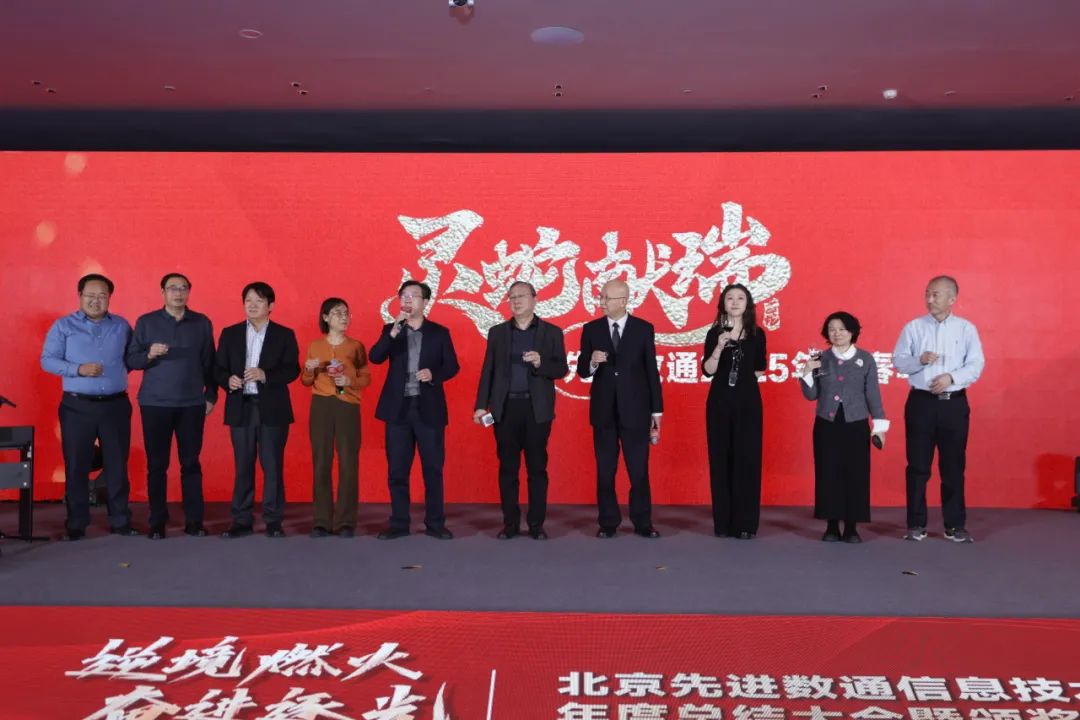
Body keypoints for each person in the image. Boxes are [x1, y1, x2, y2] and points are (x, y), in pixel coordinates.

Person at [40, 273, 137, 540]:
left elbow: (131, 359)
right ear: (80, 296)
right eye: (90, 295)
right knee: (76, 465)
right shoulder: (64, 326)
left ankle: (120, 520)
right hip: (76, 406)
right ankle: (76, 523)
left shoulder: (121, 326)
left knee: (117, 465)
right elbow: (47, 360)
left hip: (115, 406)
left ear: (110, 298)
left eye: (102, 295)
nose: (96, 300)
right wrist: (78, 370)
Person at [473, 281, 569, 540]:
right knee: (508, 469)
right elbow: (488, 371)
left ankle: (536, 525)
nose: (516, 301)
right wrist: (481, 405)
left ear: (534, 299)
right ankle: (510, 524)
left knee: (537, 469)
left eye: (521, 296)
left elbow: (561, 369)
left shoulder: (551, 332)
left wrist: (541, 363)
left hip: (536, 409)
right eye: (512, 297)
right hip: (505, 408)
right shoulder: (498, 333)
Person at [893, 275, 984, 543]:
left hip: (953, 404)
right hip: (920, 403)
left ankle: (954, 526)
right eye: (927, 294)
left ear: (952, 298)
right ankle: (915, 525)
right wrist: (919, 360)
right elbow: (899, 362)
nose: (930, 299)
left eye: (936, 294)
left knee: (953, 466)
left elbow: (976, 364)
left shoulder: (966, 329)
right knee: (917, 466)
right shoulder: (913, 327)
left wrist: (951, 377)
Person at [125, 272, 217, 540]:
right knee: (157, 465)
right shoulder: (146, 322)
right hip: (155, 403)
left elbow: (209, 362)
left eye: (183, 288)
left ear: (189, 292)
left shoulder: (201, 323)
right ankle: (157, 522)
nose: (178, 293)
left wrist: (211, 395)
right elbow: (131, 361)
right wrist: (149, 354)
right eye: (172, 288)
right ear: (162, 292)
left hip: (191, 404)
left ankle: (194, 521)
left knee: (191, 464)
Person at [369, 280, 460, 540]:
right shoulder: (391, 329)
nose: (407, 300)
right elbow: (375, 357)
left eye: (414, 296)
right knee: (397, 471)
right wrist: (393, 332)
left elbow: (452, 366)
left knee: (432, 470)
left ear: (425, 302)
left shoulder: (439, 333)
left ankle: (435, 523)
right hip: (398, 410)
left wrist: (434, 374)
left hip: (428, 409)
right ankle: (399, 523)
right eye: (404, 296)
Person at [213, 281, 300, 539]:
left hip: (272, 408)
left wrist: (265, 375)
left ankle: (273, 520)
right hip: (241, 407)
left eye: (259, 301)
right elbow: (217, 368)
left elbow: (292, 369)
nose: (252, 305)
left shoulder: (284, 334)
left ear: (270, 306)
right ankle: (241, 519)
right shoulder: (230, 333)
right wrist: (227, 380)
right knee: (243, 465)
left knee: (272, 466)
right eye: (248, 300)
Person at [577, 280, 663, 539]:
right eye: (601, 297)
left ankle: (643, 522)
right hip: (603, 410)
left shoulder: (643, 329)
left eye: (607, 298)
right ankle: (608, 522)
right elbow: (582, 371)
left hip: (636, 410)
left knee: (638, 470)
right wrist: (592, 362)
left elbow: (651, 372)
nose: (601, 302)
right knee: (605, 470)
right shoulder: (591, 329)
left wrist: (656, 412)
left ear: (624, 301)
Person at [798, 311, 889, 543]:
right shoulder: (821, 358)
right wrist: (807, 372)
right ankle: (831, 526)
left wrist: (879, 426)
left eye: (842, 329)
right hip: (826, 424)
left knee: (856, 474)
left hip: (856, 424)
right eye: (832, 330)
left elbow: (873, 395)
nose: (836, 333)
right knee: (828, 473)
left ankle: (851, 527)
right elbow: (811, 395)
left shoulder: (866, 359)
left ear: (852, 332)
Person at [300, 298, 371, 538]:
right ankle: (321, 520)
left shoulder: (356, 346)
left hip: (347, 405)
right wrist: (309, 369)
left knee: (348, 462)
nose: (343, 317)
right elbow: (306, 381)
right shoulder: (315, 346)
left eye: (346, 313)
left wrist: (350, 381)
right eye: (337, 313)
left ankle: (345, 521)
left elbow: (365, 377)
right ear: (325, 317)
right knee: (321, 461)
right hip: (321, 405)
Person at [701, 283, 766, 539]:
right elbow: (708, 370)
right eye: (730, 298)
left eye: (740, 298)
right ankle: (723, 523)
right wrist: (719, 346)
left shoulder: (757, 334)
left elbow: (759, 368)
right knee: (720, 459)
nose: (735, 302)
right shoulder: (713, 333)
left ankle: (746, 523)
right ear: (723, 304)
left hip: (748, 403)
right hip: (719, 402)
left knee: (747, 460)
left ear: (748, 304)